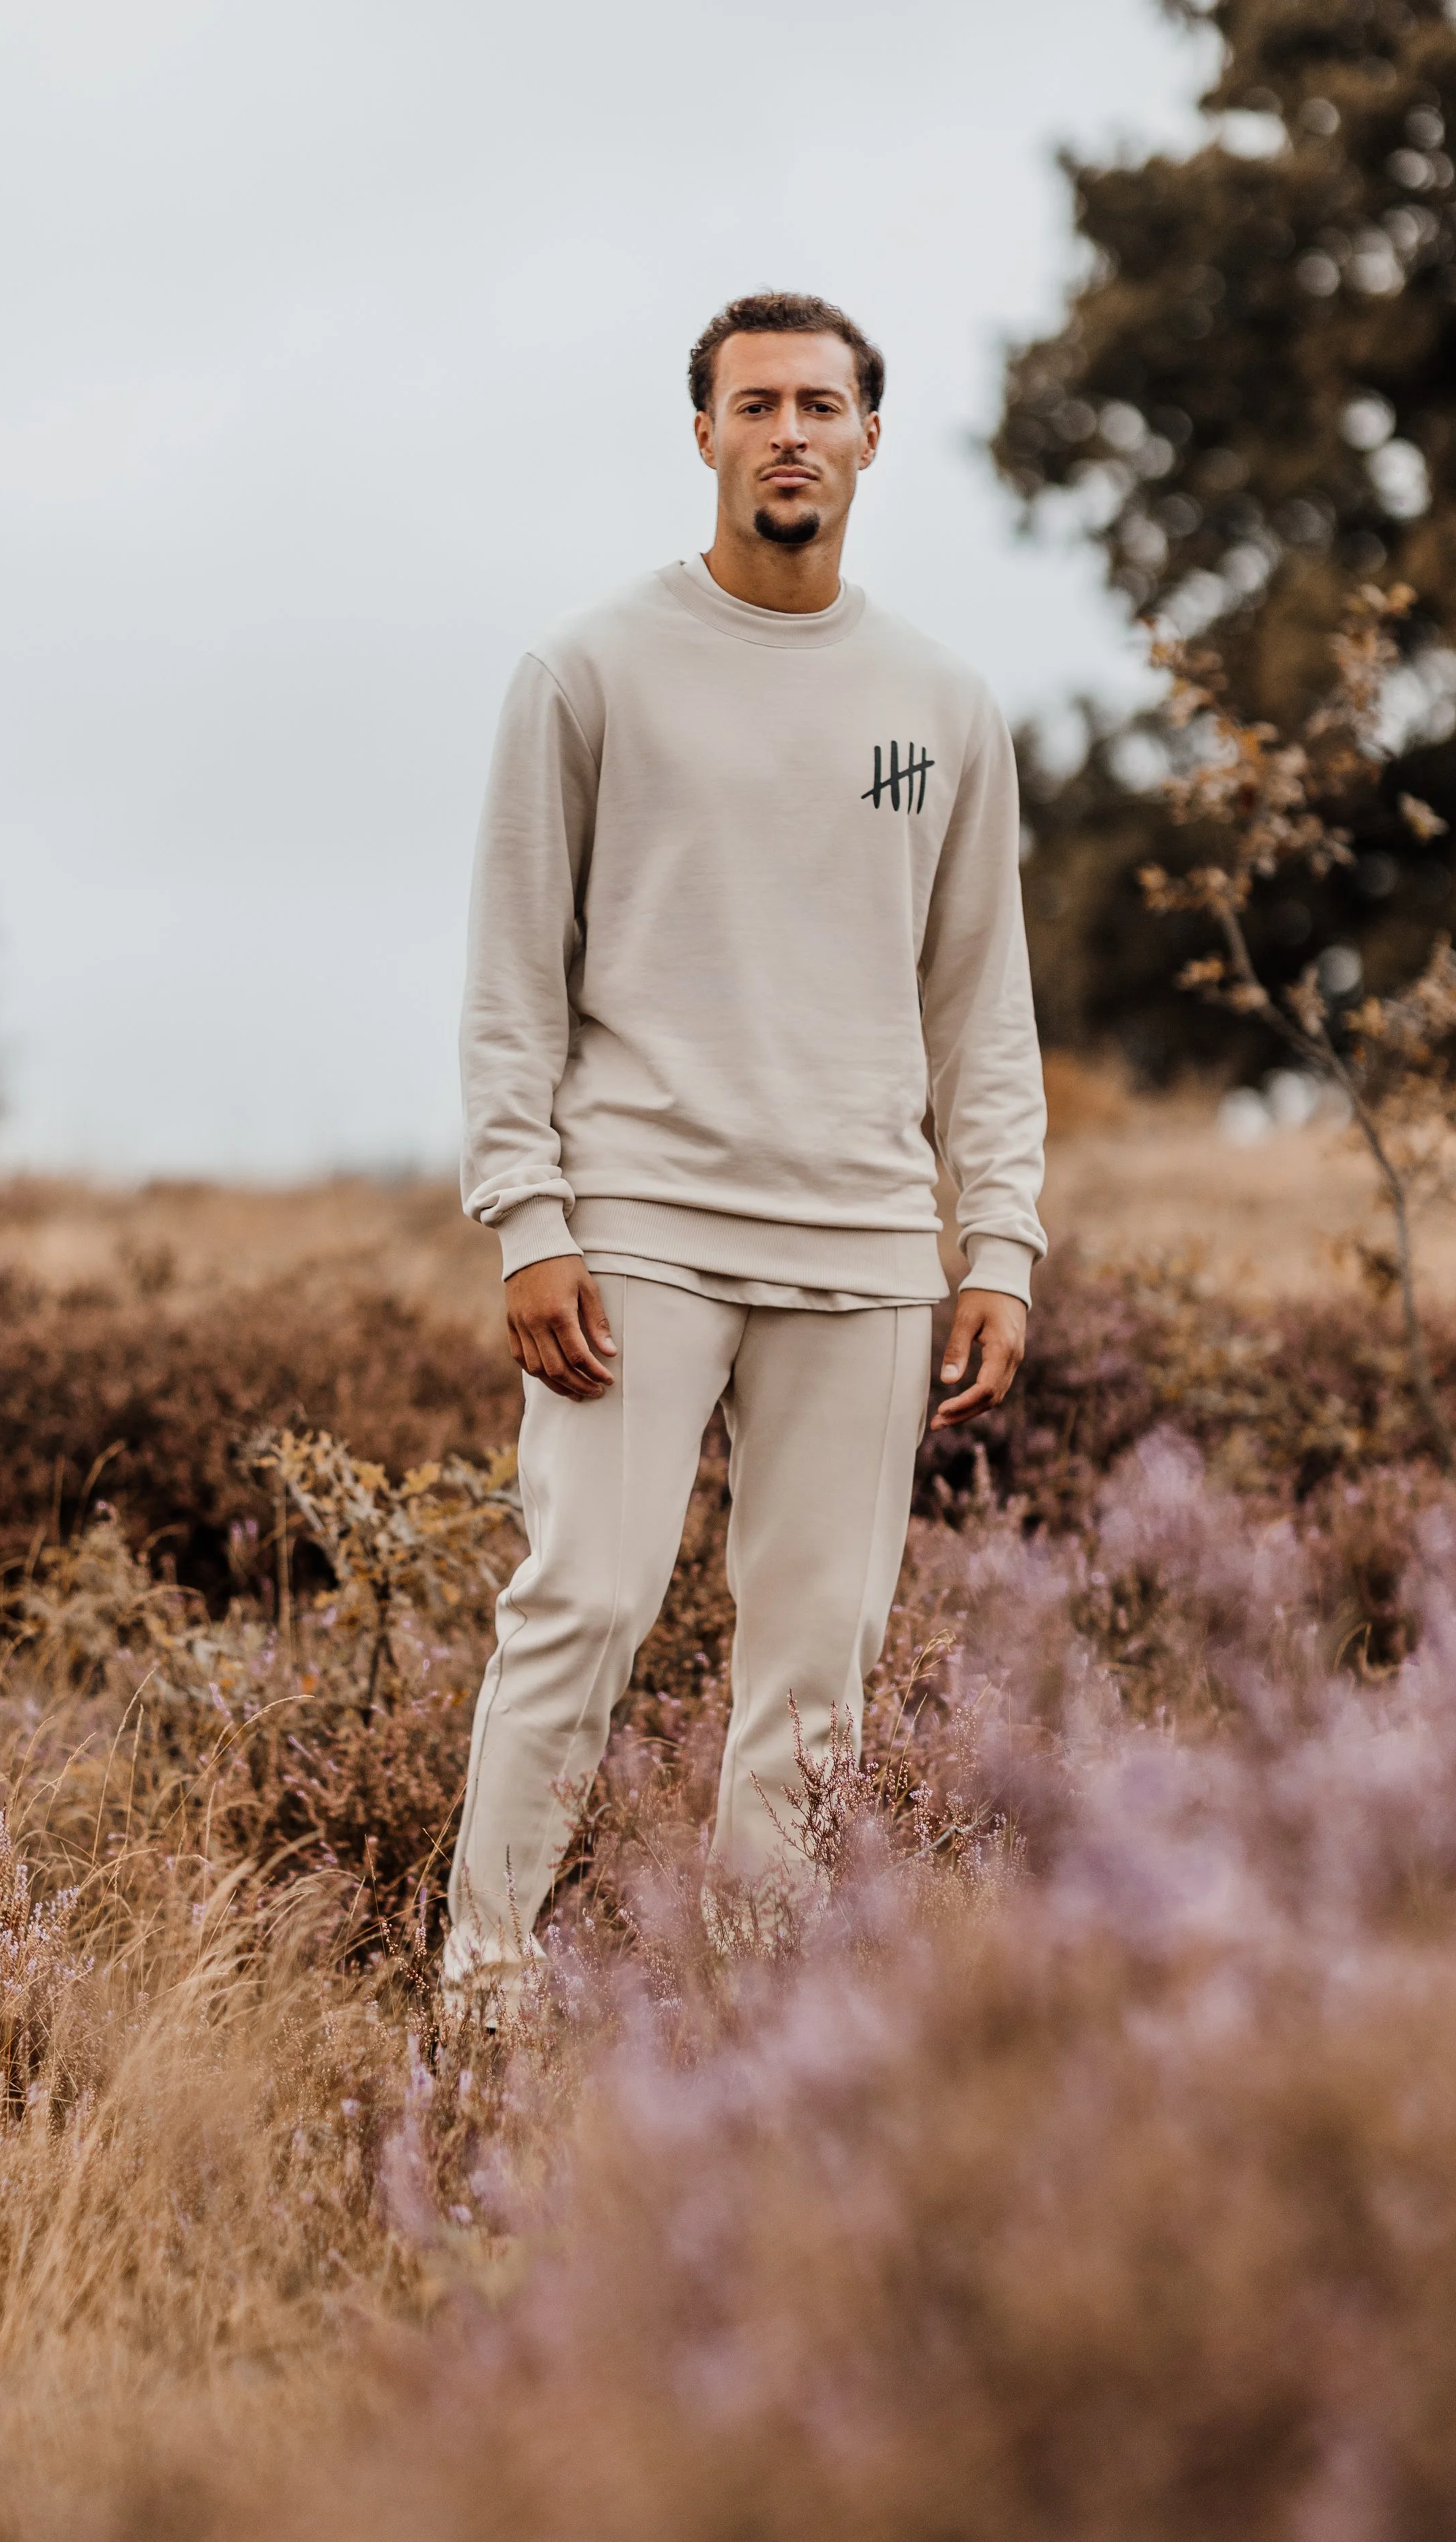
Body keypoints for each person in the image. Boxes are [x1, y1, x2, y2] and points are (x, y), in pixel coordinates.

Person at [447, 290, 1045, 1993]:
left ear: (869, 435)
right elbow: (509, 971)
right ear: (701, 432)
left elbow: (980, 1002)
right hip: (631, 1224)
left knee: (815, 1672)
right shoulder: (587, 670)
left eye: (821, 405)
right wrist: (526, 1214)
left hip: (862, 1249)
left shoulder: (941, 700)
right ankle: (478, 1999)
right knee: (580, 1613)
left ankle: (746, 2038)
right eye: (755, 403)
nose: (790, 431)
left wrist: (995, 1240)